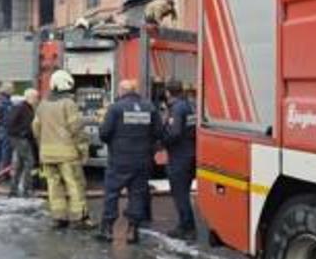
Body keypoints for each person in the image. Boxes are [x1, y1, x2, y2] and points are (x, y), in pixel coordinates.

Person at [97, 79, 161, 244]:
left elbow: (104, 134)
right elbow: (158, 132)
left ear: (121, 91)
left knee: (112, 193)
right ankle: (132, 230)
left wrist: (100, 125)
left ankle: (108, 229)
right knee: (137, 194)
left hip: (119, 159)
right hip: (142, 160)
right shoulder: (149, 107)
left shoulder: (115, 108)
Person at [33, 70, 93, 230]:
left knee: (54, 187)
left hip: (47, 154)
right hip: (67, 154)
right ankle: (79, 218)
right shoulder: (69, 103)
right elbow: (76, 129)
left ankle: (59, 218)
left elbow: (36, 128)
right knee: (75, 185)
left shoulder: (43, 104)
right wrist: (83, 149)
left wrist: (43, 145)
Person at [162, 79, 197, 241]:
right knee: (184, 191)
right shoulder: (190, 105)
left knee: (180, 193)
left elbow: (174, 133)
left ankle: (187, 227)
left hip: (179, 156)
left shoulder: (177, 108)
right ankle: (186, 225)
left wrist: (162, 141)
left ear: (168, 92)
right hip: (191, 153)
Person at [6, 89, 38, 197]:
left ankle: (13, 190)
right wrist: (21, 132)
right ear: (30, 97)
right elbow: (10, 123)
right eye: (35, 97)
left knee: (20, 164)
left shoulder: (27, 108)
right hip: (19, 138)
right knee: (30, 161)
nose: (36, 100)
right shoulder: (21, 108)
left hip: (22, 138)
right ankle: (27, 189)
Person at [0, 83, 14, 175]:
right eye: (12, 89)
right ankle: (5, 172)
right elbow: (8, 117)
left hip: (0, 128)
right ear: (8, 90)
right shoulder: (6, 102)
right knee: (6, 152)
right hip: (6, 129)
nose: (13, 91)